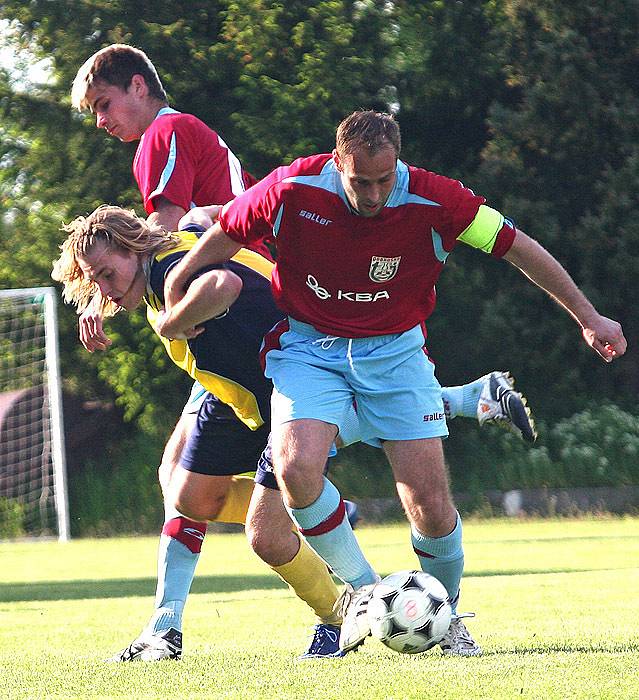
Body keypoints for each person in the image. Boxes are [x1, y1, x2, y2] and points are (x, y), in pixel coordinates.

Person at [70, 45, 534, 659]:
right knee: (185, 491)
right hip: (239, 368)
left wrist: (170, 315)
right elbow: (192, 231)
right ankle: (184, 620)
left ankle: (340, 598)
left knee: (271, 517)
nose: (101, 120)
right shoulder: (161, 229)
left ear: (136, 85)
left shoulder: (164, 134)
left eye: (104, 104)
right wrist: (118, 288)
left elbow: (178, 242)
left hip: (277, 355)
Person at [162, 110, 626, 657]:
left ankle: (446, 617)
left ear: (398, 163)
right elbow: (226, 230)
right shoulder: (291, 188)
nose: (375, 194)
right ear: (338, 164)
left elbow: (519, 247)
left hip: (398, 352)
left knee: (428, 503)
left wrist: (587, 316)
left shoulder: (436, 199)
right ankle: (364, 593)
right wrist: (178, 281)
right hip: (310, 347)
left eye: (385, 179)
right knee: (293, 468)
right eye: (361, 182)